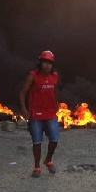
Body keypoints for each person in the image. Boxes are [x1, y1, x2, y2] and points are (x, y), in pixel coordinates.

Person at [19, 50, 60, 178]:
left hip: (50, 113)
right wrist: (24, 109)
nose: (47, 65)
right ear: (40, 63)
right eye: (45, 62)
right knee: (37, 142)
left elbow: (55, 91)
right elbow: (22, 93)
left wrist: (57, 104)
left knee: (54, 138)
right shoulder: (33, 76)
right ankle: (37, 167)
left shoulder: (55, 76)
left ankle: (48, 160)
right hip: (36, 114)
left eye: (50, 63)